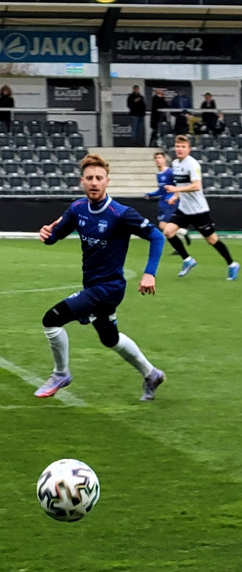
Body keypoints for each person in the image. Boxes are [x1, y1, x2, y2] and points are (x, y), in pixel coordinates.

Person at [33, 154, 166, 401]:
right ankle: (152, 374)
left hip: (109, 289)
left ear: (107, 181)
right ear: (82, 181)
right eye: (89, 178)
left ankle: (60, 374)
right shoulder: (77, 209)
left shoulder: (121, 213)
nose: (94, 182)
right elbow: (54, 236)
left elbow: (157, 236)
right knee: (109, 338)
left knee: (52, 319)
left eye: (99, 178)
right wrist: (47, 233)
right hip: (93, 286)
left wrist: (149, 273)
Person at [161, 134, 240, 280]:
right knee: (168, 231)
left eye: (183, 147)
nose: (180, 149)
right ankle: (187, 260)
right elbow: (180, 184)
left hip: (198, 210)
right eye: (177, 146)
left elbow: (196, 186)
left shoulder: (193, 164)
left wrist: (176, 190)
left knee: (212, 240)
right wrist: (175, 196)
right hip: (184, 209)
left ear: (189, 149)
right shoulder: (175, 164)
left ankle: (232, 264)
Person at [145, 150, 192, 256]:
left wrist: (174, 197)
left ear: (164, 159)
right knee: (163, 226)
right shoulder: (158, 174)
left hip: (170, 203)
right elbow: (161, 190)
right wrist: (150, 194)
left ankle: (181, 237)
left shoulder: (170, 172)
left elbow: (178, 186)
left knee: (165, 227)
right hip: (162, 202)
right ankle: (181, 236)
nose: (158, 160)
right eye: (156, 158)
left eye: (160, 158)